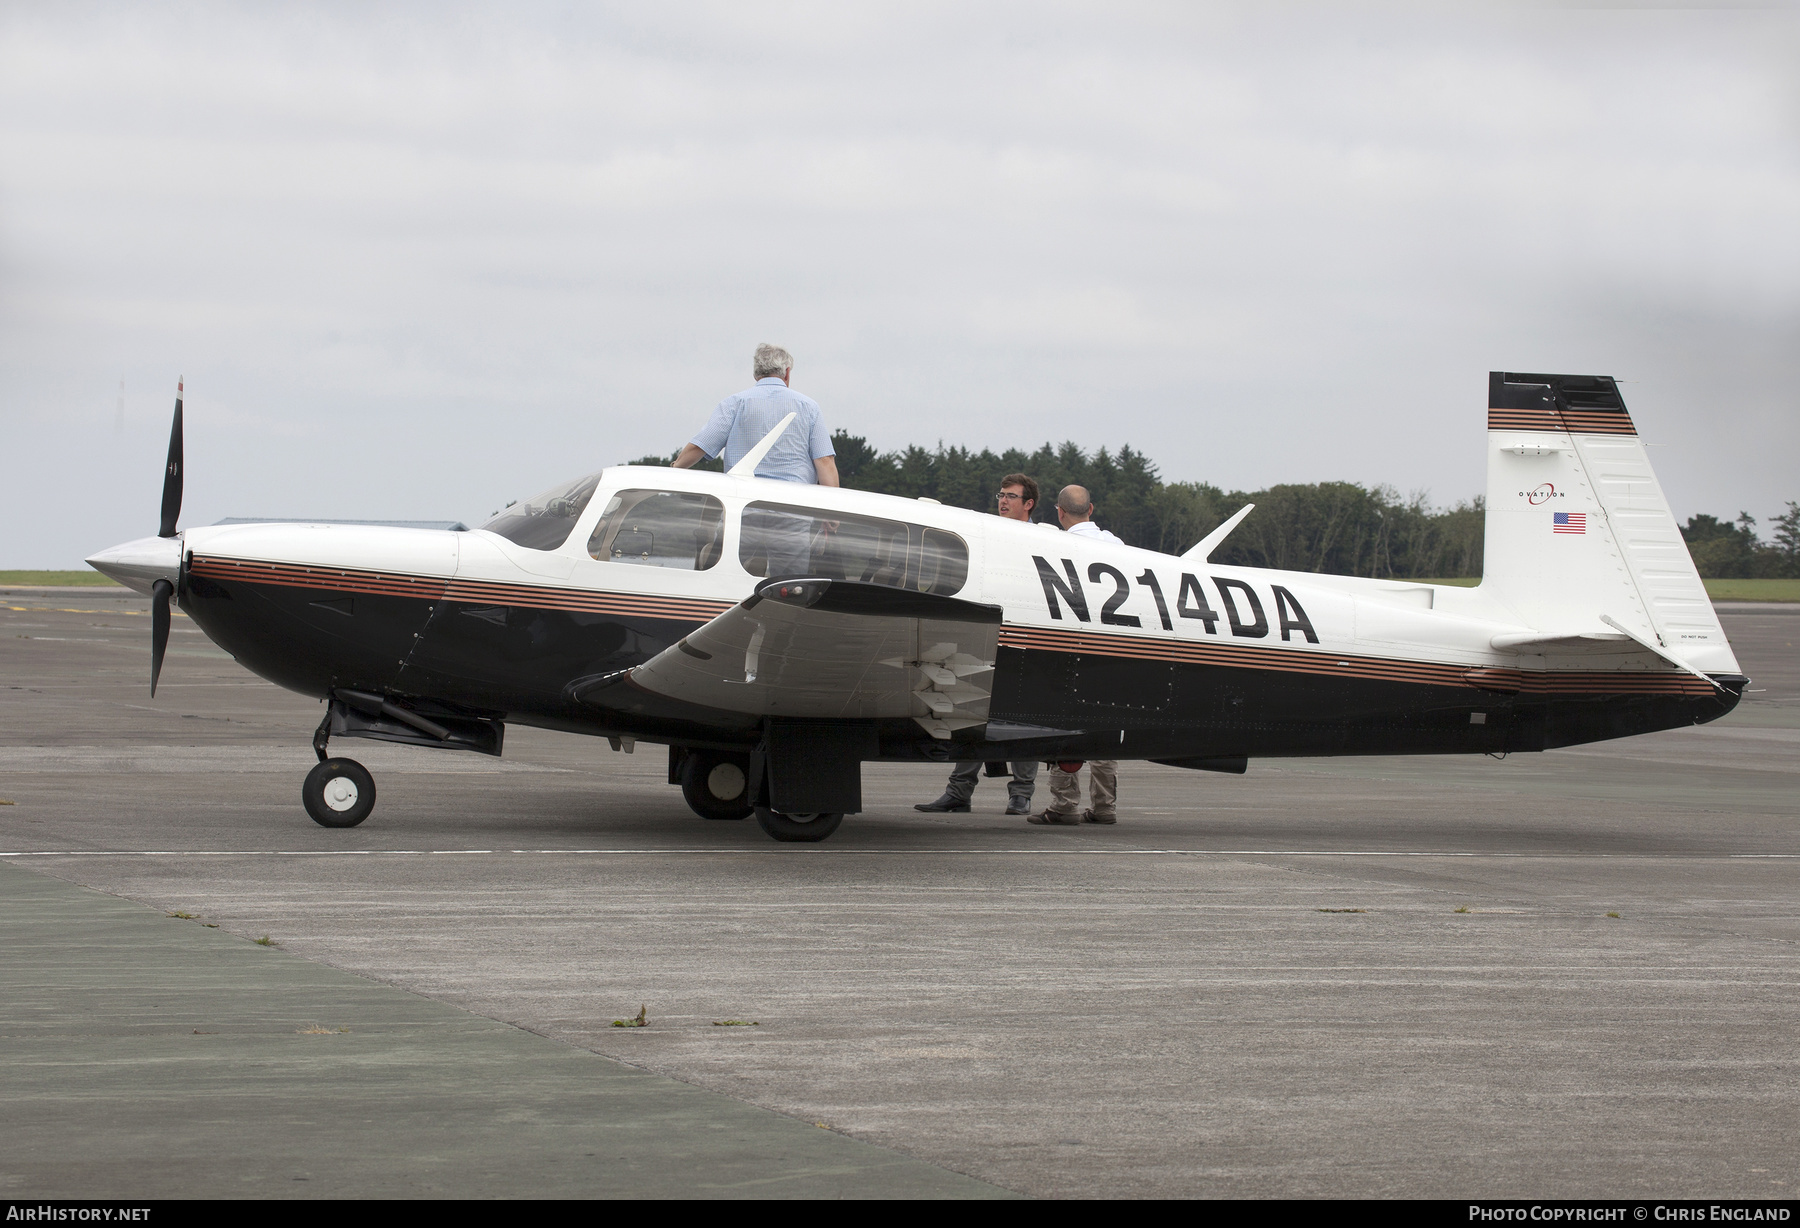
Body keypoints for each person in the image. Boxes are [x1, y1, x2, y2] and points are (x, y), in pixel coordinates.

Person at [915, 474, 1043, 817]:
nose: (1003, 501)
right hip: (982, 638)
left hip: (1023, 639)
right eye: (1001, 495)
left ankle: (1021, 794)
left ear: (1028, 504)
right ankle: (959, 792)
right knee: (969, 713)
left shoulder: (1043, 541)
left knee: (1020, 720)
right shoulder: (986, 534)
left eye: (1011, 497)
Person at [674, 344, 837, 576]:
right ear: (787, 373)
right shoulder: (809, 407)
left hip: (742, 511)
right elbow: (825, 462)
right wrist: (832, 513)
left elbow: (699, 446)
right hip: (791, 513)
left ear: (755, 374)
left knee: (728, 580)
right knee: (788, 588)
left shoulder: (735, 403)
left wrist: (675, 468)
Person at [1030, 483, 1120, 826]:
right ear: (1092, 510)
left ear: (1059, 512)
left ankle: (1065, 804)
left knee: (1065, 727)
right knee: (1105, 731)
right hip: (1110, 652)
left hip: (1071, 649)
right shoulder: (1116, 545)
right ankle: (1105, 807)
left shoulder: (1056, 544)